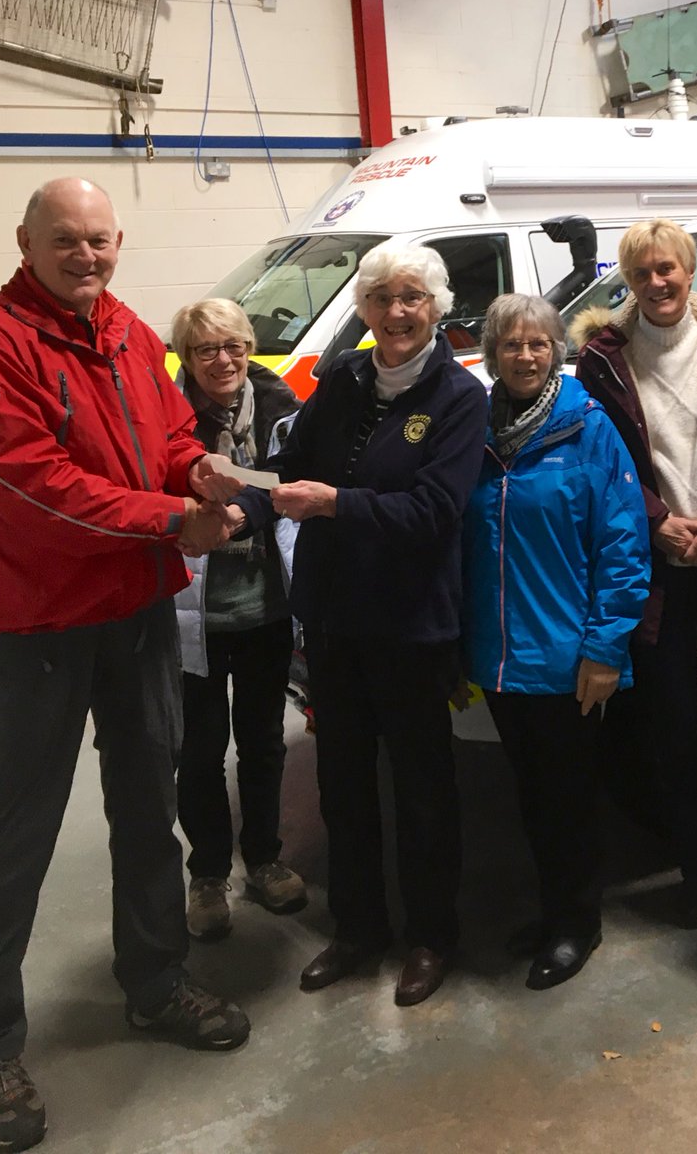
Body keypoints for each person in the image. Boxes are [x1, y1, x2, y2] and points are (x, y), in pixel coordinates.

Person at [0, 178, 250, 1153]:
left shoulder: (133, 335)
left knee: (150, 806)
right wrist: (173, 518)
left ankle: (155, 980)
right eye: (66, 240)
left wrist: (198, 472)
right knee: (13, 832)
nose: (84, 255)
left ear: (118, 241)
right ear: (26, 241)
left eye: (98, 240)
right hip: (37, 628)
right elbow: (31, 490)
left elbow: (170, 437)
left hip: (134, 614)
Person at [234, 242, 487, 1006]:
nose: (396, 312)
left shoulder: (458, 397)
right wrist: (233, 504)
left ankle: (431, 936)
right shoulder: (344, 378)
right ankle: (358, 928)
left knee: (422, 790)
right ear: (364, 309)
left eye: (411, 297)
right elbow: (289, 473)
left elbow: (436, 513)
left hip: (411, 628)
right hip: (336, 623)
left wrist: (335, 504)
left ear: (436, 306)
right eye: (380, 298)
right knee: (343, 785)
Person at [571, 218, 697, 938]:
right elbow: (606, 455)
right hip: (656, 563)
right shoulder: (601, 357)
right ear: (628, 280)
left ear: (692, 272)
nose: (659, 282)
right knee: (675, 728)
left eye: (670, 269)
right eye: (644, 271)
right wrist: (657, 522)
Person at [463, 294, 650, 990]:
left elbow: (624, 543)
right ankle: (551, 912)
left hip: (569, 658)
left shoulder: (587, 428)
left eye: (538, 343)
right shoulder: (475, 429)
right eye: (511, 344)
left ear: (555, 352)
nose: (525, 356)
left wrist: (606, 648)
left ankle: (578, 923)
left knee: (568, 800)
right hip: (500, 659)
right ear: (492, 353)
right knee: (532, 798)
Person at [171, 298, 306, 941]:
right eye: (205, 349)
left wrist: (243, 502)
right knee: (197, 750)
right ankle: (206, 874)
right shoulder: (166, 419)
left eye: (232, 346)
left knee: (262, 742)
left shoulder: (282, 409)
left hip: (265, 608)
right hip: (195, 613)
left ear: (249, 347)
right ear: (186, 357)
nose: (221, 360)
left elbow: (291, 484)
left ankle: (265, 858)